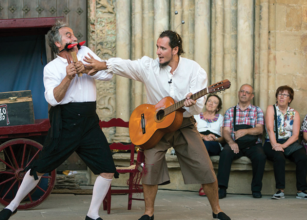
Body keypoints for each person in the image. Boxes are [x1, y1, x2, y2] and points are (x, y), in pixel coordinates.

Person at [84, 30, 230, 220]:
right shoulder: (148, 66)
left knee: (205, 166)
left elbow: (198, 107)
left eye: (163, 48)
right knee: (150, 168)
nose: (158, 52)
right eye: (157, 47)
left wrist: (191, 103)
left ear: (175, 49)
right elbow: (125, 65)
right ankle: (148, 213)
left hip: (183, 124)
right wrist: (102, 64)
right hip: (154, 128)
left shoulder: (194, 70)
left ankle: (217, 210)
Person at [0, 21, 117, 220]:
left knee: (107, 169)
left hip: (89, 121)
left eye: (73, 34)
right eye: (68, 35)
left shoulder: (86, 52)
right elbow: (53, 98)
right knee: (41, 167)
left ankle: (92, 214)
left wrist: (87, 69)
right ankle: (13, 205)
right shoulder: (51, 68)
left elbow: (108, 74)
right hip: (66, 121)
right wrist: (68, 77)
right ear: (58, 44)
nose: (74, 38)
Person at [217, 84, 266, 199]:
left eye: (247, 92)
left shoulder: (257, 110)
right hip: (236, 144)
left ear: (252, 96)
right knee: (225, 153)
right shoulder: (230, 111)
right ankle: (222, 188)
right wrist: (231, 143)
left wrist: (246, 131)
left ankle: (256, 189)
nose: (244, 94)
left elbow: (260, 129)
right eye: (242, 91)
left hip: (253, 144)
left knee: (260, 157)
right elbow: (226, 131)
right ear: (239, 93)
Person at [264, 85, 307, 200]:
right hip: (271, 141)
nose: (282, 97)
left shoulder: (294, 113)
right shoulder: (271, 109)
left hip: (289, 143)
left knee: (301, 156)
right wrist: (275, 145)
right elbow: (270, 129)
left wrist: (283, 146)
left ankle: (301, 191)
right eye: (280, 94)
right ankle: (280, 191)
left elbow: (296, 135)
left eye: (285, 95)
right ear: (276, 97)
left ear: (290, 99)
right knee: (279, 157)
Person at [194, 94, 224, 196]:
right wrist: (204, 137)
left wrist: (215, 138)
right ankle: (208, 182)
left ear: (218, 108)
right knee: (202, 146)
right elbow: (192, 132)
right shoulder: (196, 116)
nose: (211, 104)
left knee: (204, 147)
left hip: (214, 143)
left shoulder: (221, 118)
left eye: (215, 102)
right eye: (209, 101)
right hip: (199, 141)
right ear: (205, 103)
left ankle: (205, 183)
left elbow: (223, 138)